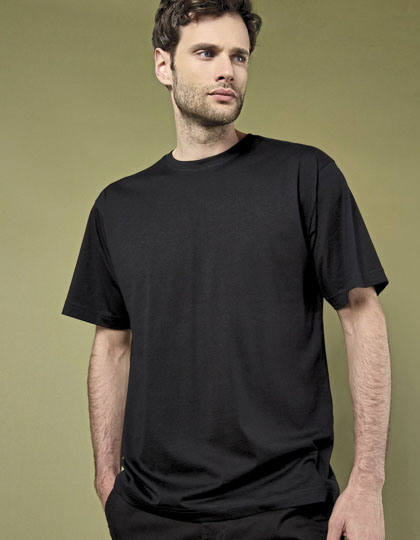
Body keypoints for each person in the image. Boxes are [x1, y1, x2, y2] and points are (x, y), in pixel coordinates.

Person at [61, 1, 391, 539]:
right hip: (150, 514)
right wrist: (106, 482)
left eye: (239, 56)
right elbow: (112, 345)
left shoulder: (305, 174)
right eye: (206, 53)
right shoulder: (118, 207)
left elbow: (362, 316)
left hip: (285, 508)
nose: (227, 70)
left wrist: (368, 483)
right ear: (164, 66)